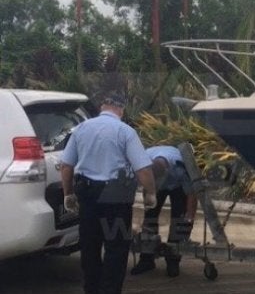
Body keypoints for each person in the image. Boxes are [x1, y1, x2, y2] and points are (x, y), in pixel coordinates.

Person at [60, 91, 157, 294]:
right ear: (121, 109)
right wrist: (150, 193)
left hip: (87, 194)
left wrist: (68, 193)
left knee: (90, 245)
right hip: (117, 197)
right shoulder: (125, 131)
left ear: (102, 107)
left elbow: (66, 165)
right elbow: (144, 169)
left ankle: (92, 289)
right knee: (117, 247)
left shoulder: (80, 129)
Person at [130, 145, 196, 277]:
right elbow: (145, 189)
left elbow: (191, 194)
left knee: (179, 220)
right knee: (150, 218)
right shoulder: (144, 159)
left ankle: (173, 260)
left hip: (178, 186)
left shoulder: (181, 166)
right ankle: (147, 259)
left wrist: (189, 217)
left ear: (166, 171)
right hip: (154, 185)